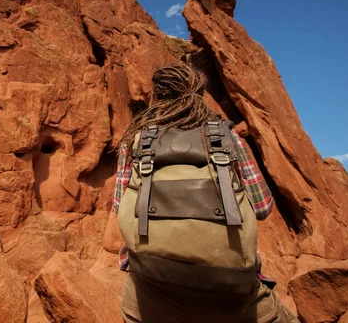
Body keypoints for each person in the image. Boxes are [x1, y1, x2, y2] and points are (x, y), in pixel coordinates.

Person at [113, 64, 298, 323]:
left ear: (156, 98)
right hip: (231, 292)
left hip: (150, 289)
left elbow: (120, 206)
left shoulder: (135, 141)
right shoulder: (227, 137)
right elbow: (263, 206)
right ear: (197, 96)